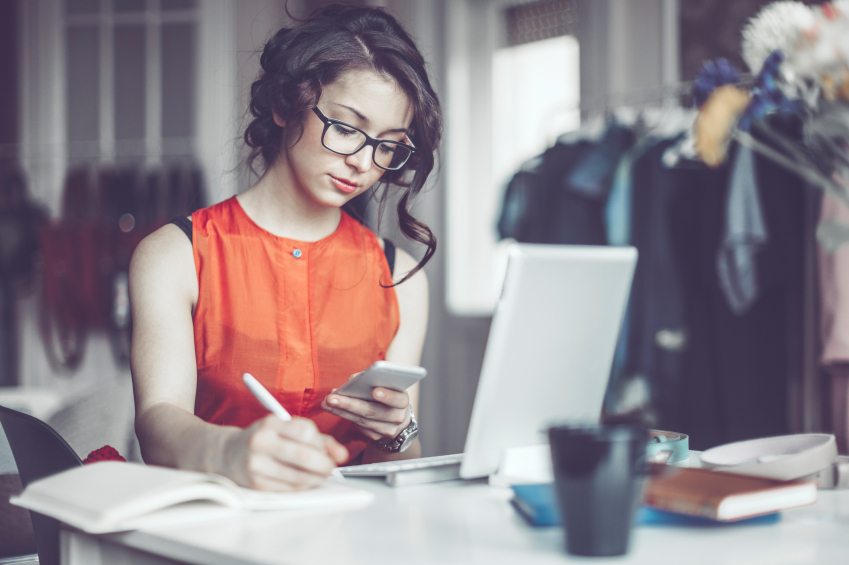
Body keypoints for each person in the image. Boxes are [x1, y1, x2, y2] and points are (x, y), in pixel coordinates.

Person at [129, 4, 441, 492]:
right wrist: (229, 451)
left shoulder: (401, 277)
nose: (363, 162)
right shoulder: (174, 255)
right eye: (344, 127)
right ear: (284, 105)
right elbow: (155, 422)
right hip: (215, 529)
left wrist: (398, 432)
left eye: (387, 145)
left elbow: (398, 465)